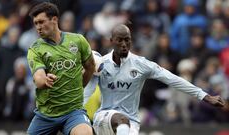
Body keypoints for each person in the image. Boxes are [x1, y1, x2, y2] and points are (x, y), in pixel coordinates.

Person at [84, 24, 227, 135]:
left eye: (127, 40)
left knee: (125, 123)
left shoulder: (142, 64)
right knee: (122, 120)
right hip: (103, 117)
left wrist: (205, 96)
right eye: (119, 40)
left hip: (131, 123)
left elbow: (173, 79)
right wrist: (76, 113)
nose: (123, 44)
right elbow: (87, 91)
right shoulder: (100, 65)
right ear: (111, 41)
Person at [27, 2, 95, 135]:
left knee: (85, 133)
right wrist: (45, 80)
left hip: (73, 112)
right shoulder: (35, 49)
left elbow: (90, 66)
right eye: (36, 23)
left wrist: (80, 86)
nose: (38, 27)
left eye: (41, 22)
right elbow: (38, 78)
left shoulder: (78, 41)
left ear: (54, 19)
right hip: (46, 115)